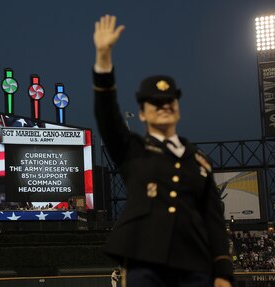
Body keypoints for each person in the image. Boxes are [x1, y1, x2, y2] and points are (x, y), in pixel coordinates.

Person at [93, 15, 233, 287]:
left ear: (178, 107)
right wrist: (103, 58)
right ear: (142, 114)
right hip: (145, 263)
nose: (164, 105)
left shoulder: (200, 162)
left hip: (196, 265)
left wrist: (223, 274)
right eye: (155, 102)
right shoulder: (132, 149)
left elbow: (213, 221)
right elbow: (107, 116)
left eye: (170, 100)